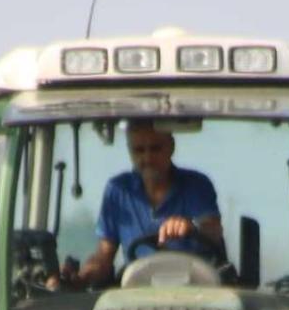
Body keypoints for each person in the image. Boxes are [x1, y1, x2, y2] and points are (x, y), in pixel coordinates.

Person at [64, 119, 223, 288]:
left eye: (155, 149)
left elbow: (213, 233)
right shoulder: (118, 190)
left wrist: (190, 227)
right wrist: (83, 276)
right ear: (130, 152)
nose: (147, 158)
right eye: (139, 150)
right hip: (136, 294)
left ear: (171, 147)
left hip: (194, 290)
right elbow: (104, 254)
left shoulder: (196, 185)